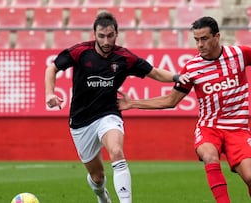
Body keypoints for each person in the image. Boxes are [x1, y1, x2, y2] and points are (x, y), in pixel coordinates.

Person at [118, 16, 251, 203]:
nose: (200, 45)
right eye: (196, 40)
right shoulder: (192, 68)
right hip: (208, 128)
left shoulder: (238, 55)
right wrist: (133, 104)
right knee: (210, 156)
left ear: (217, 36)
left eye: (204, 39)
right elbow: (170, 101)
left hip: (237, 129)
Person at [44, 12, 188, 203]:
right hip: (81, 120)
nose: (106, 41)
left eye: (110, 36)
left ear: (116, 34)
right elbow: (52, 68)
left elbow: (154, 73)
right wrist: (49, 93)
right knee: (97, 177)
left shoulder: (124, 57)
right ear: (94, 34)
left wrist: (177, 77)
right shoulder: (80, 52)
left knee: (117, 151)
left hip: (108, 114)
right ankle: (102, 195)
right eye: (101, 36)